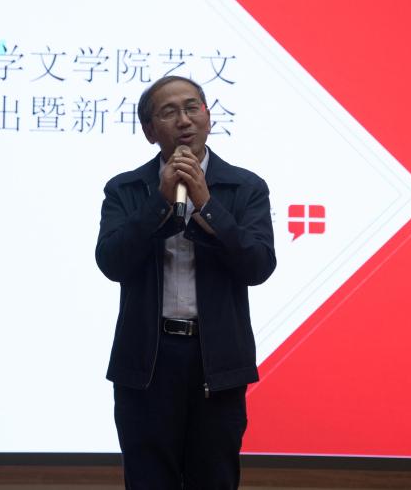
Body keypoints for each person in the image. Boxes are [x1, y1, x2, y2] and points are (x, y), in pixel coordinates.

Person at [95, 75, 277, 489]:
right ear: (149, 131)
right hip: (147, 360)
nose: (184, 120)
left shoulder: (245, 187)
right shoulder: (126, 189)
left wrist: (207, 205)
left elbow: (258, 266)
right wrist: (160, 202)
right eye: (169, 112)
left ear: (208, 116)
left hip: (216, 360)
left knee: (214, 478)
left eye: (192, 107)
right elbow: (112, 262)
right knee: (148, 479)